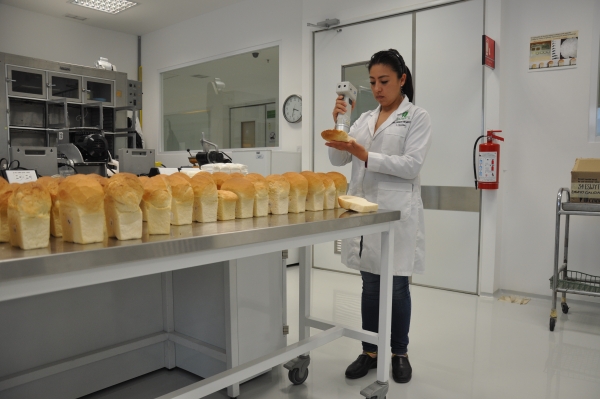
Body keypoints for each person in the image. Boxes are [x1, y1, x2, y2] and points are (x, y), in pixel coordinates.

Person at [326, 49, 431, 384]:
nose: (378, 88)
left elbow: (411, 165)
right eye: (372, 82)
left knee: (397, 286)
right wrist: (339, 125)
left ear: (402, 79)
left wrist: (365, 154)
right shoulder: (364, 119)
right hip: (365, 213)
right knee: (370, 285)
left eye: (384, 81)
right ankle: (370, 350)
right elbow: (337, 159)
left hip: (397, 213)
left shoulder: (417, 117)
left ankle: (399, 352)